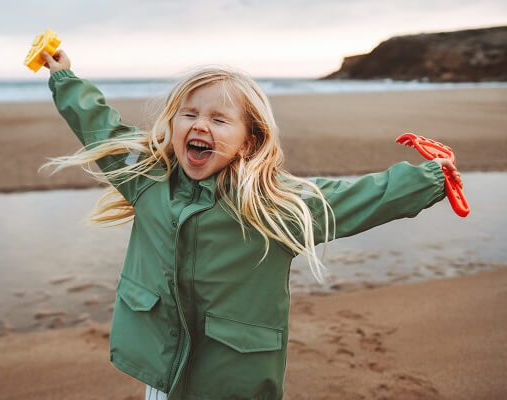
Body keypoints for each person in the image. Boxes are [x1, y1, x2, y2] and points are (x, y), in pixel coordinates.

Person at [40, 49, 462, 400]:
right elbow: (101, 129)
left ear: (250, 140)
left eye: (219, 119)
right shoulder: (148, 180)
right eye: (189, 114)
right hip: (164, 373)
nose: (200, 124)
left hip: (231, 379)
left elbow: (354, 198)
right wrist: (63, 77)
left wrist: (430, 177)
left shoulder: (272, 205)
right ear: (172, 123)